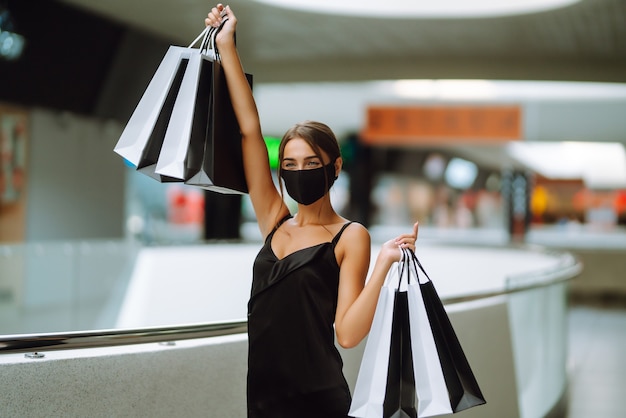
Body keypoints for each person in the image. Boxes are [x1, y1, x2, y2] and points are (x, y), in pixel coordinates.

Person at [205, 4, 419, 417]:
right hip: (263, 400)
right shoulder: (274, 219)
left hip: (318, 400)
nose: (298, 173)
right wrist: (227, 45)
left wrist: (385, 264)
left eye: (310, 164)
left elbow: (348, 333)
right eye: (289, 165)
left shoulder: (350, 235)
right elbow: (249, 128)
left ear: (334, 168)